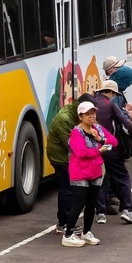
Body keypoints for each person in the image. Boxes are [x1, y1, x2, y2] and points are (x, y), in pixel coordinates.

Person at [87, 81, 132, 225]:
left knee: (99, 179)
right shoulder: (110, 105)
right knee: (122, 177)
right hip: (109, 147)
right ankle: (127, 210)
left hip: (93, 148)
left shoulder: (91, 104)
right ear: (110, 93)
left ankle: (100, 213)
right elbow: (127, 123)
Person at [62, 101, 116, 246]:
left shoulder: (98, 128)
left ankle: (86, 232)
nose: (91, 116)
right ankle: (68, 234)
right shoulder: (76, 132)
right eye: (87, 114)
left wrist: (100, 139)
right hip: (79, 172)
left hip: (95, 171)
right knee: (79, 203)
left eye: (93, 113)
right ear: (80, 116)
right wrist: (98, 150)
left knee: (92, 203)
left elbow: (113, 143)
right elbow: (80, 153)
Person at [45, 100, 79, 234]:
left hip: (66, 157)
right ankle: (64, 223)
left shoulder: (74, 115)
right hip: (60, 158)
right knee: (67, 188)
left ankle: (67, 221)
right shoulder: (64, 119)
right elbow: (72, 144)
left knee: (70, 188)